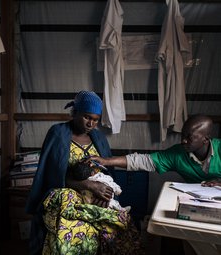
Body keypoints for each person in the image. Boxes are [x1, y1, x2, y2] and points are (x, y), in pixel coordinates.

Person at [25, 91, 141, 255]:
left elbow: (108, 175)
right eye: (87, 117)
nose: (91, 124)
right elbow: (52, 176)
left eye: (95, 120)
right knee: (75, 232)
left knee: (122, 226)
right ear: (75, 113)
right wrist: (88, 185)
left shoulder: (99, 138)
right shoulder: (58, 134)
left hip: (95, 197)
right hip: (65, 196)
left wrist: (105, 194)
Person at [91, 115, 221, 189]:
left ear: (206, 138)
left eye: (190, 137)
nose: (183, 140)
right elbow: (143, 160)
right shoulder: (178, 153)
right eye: (183, 135)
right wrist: (107, 161)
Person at [67, 161, 131, 212]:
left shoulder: (81, 188)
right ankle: (122, 210)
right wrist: (118, 190)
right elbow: (110, 183)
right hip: (107, 199)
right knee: (114, 204)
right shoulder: (100, 176)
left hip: (90, 205)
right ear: (92, 172)